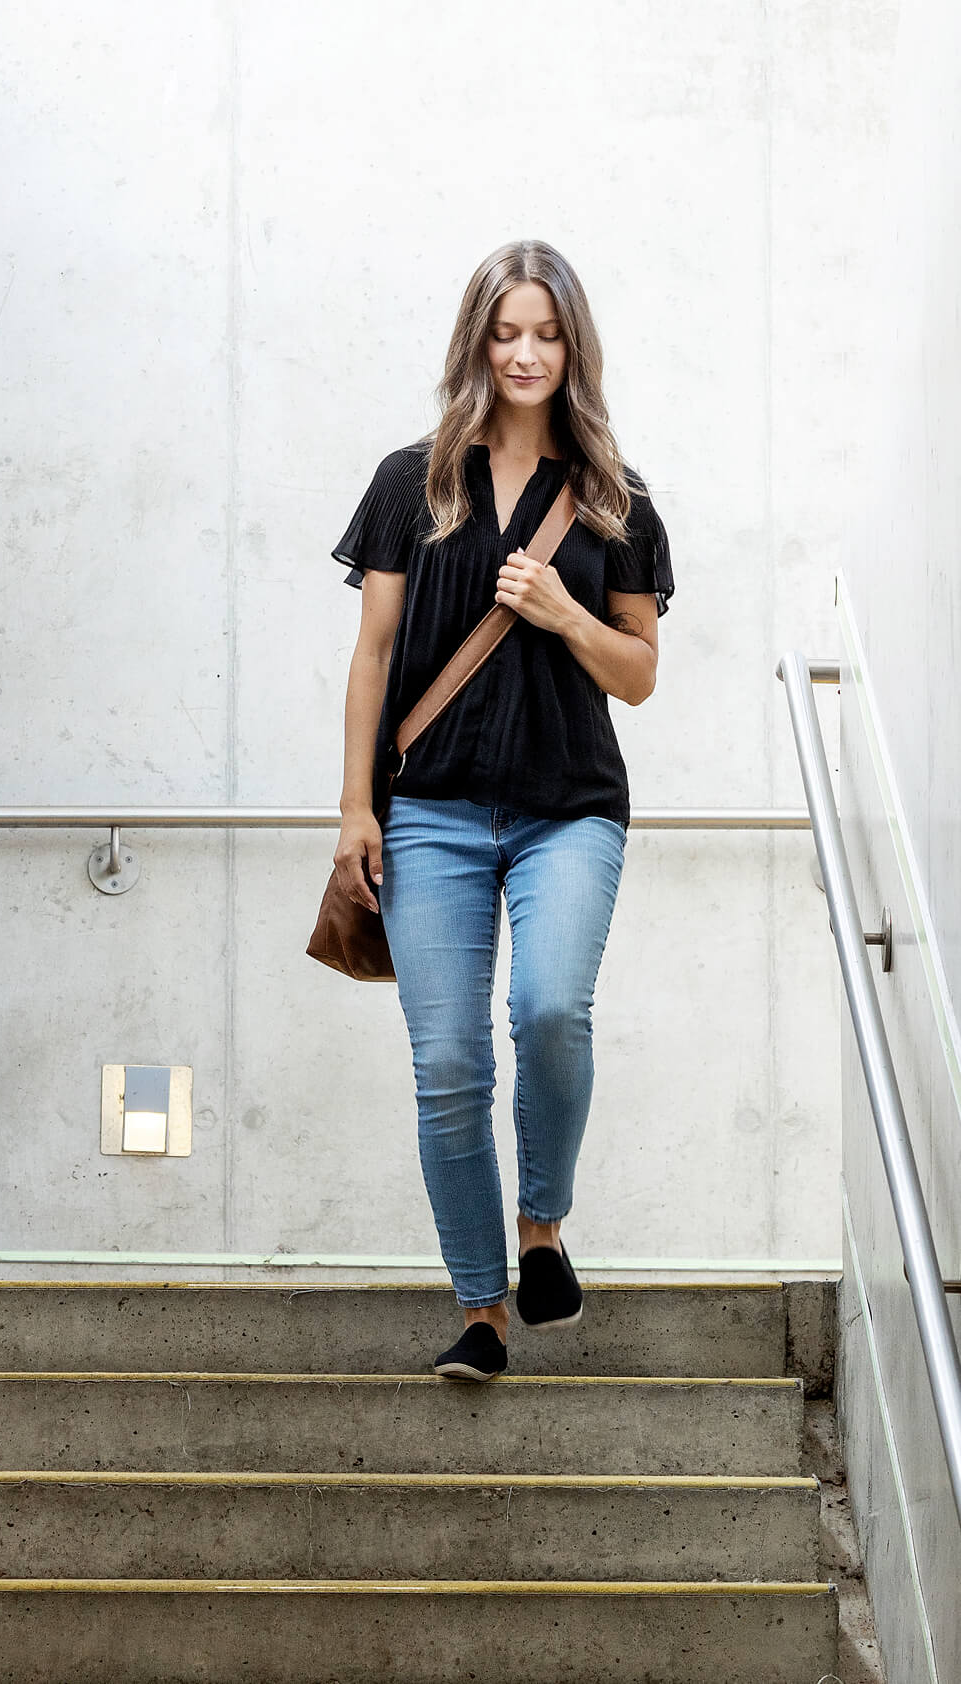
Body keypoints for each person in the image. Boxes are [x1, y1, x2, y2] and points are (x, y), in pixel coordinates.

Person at [329, 239, 674, 1381]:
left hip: (566, 807)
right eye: (504, 331)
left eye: (545, 332)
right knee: (445, 1065)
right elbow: (373, 654)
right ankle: (480, 1308)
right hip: (427, 809)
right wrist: (352, 814)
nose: (524, 353)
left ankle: (541, 1229)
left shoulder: (617, 503)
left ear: (572, 346)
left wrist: (565, 613)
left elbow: (636, 673)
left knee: (547, 1011)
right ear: (475, 340)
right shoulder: (409, 482)